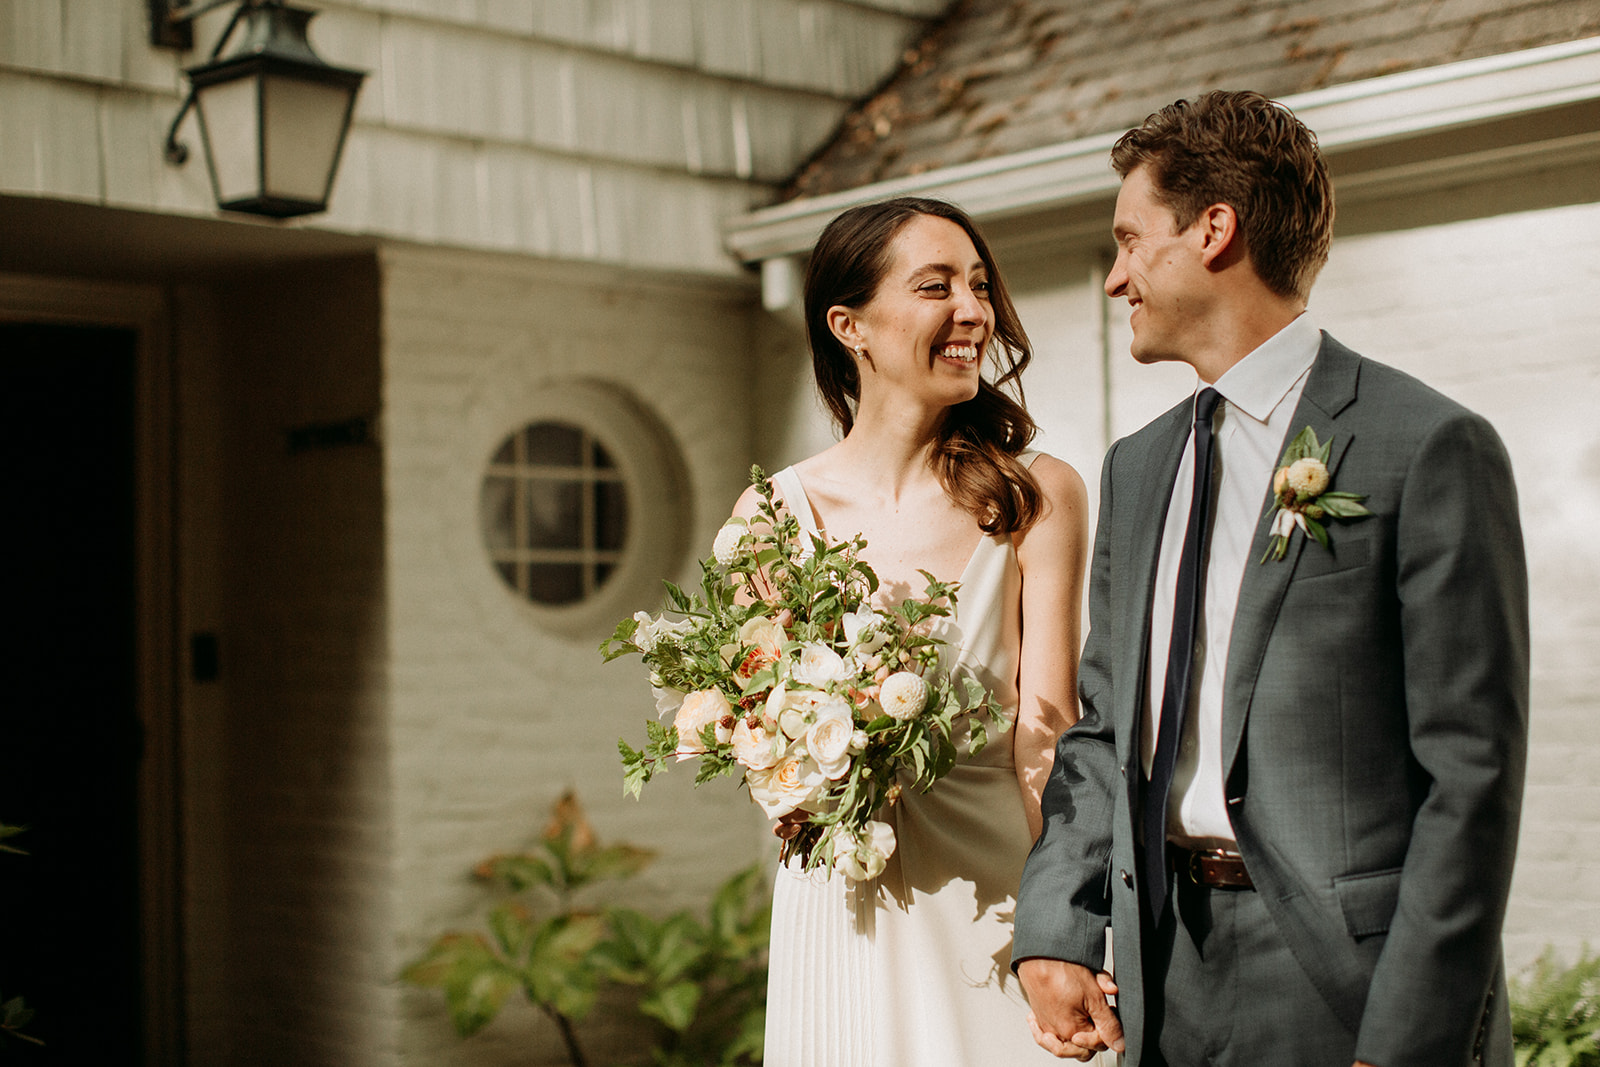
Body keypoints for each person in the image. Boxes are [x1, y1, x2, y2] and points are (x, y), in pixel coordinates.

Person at [1012, 90, 1529, 1066]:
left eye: (1129, 239)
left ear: (1213, 229)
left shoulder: (1424, 445)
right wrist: (1056, 921)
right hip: (1164, 967)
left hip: (1345, 983)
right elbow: (1102, 721)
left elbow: (1471, 774)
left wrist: (1408, 1037)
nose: (1116, 275)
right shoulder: (1135, 465)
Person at [732, 196, 1094, 1066]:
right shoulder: (770, 518)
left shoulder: (1035, 497)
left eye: (978, 285)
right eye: (936, 287)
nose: (974, 310)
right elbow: (757, 741)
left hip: (992, 918)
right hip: (838, 913)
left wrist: (1068, 930)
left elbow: (1051, 739)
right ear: (850, 324)